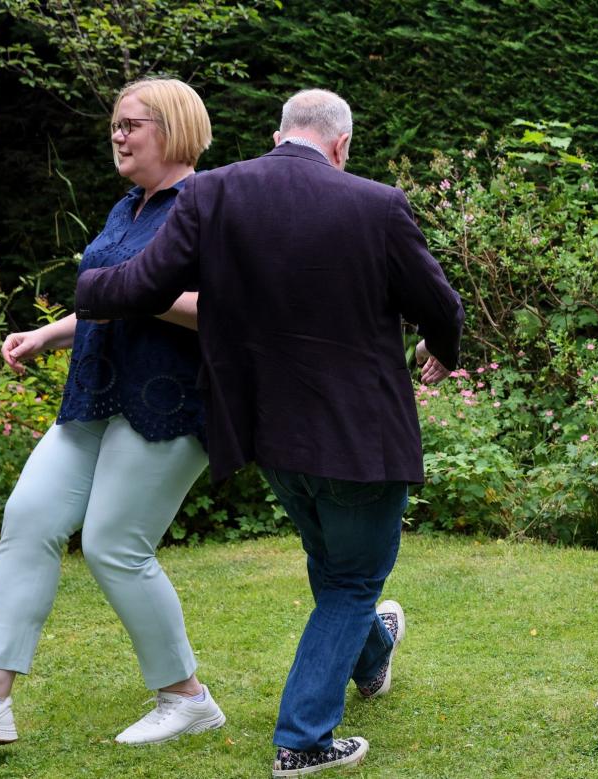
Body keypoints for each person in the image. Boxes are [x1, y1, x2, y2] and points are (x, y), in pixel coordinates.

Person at [73, 89, 464, 777]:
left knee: (336, 567)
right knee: (350, 579)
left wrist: (88, 287)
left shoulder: (213, 194)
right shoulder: (377, 205)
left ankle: (374, 653)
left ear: (278, 134)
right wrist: (444, 348)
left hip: (271, 434)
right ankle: (303, 740)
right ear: (341, 146)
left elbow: (146, 284)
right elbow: (439, 302)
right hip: (361, 438)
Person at [0, 79, 225, 747]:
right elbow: (107, 294)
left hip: (168, 402)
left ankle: (186, 696)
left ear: (170, 129)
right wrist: (48, 334)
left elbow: (224, 312)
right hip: (94, 392)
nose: (118, 135)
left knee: (115, 543)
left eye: (132, 124)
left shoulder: (208, 205)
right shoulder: (127, 209)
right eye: (115, 124)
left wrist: (145, 292)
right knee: (28, 517)